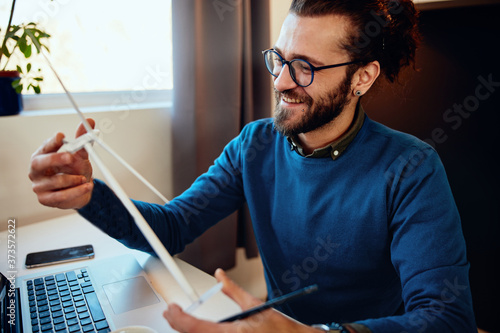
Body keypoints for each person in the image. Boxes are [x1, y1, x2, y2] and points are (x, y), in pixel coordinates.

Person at [29, 0, 477, 332]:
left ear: (361, 77)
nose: (281, 81)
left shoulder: (412, 168)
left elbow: (447, 318)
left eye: (304, 67)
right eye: (279, 59)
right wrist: (88, 195)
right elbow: (170, 228)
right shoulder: (256, 144)